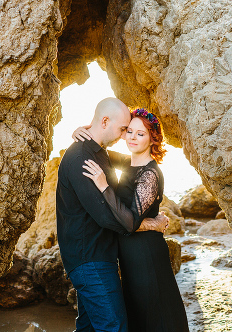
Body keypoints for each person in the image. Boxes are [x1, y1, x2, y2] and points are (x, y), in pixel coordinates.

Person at [56, 98, 169, 332]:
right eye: (123, 130)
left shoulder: (99, 154)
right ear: (105, 121)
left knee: (88, 327)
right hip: (90, 259)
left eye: (133, 132)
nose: (124, 136)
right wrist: (151, 224)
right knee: (114, 327)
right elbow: (108, 217)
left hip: (98, 256)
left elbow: (135, 164)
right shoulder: (82, 158)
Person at [75, 107, 190, 331]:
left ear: (152, 138)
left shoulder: (150, 174)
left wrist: (104, 186)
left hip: (146, 257)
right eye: (129, 131)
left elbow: (129, 221)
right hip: (130, 257)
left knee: (156, 317)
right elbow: (100, 149)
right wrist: (83, 130)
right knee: (136, 316)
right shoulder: (128, 163)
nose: (133, 137)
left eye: (141, 133)